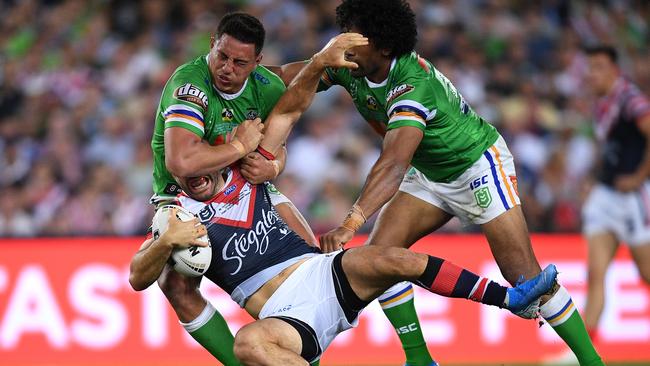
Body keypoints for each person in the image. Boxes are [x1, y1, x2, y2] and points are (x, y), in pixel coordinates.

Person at [130, 34, 558, 366]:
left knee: (391, 257)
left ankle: (509, 300)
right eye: (192, 171)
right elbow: (136, 277)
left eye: (207, 161)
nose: (201, 175)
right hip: (284, 315)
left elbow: (290, 109)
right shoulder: (175, 217)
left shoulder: (249, 171)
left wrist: (318, 63)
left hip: (322, 275)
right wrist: (167, 242)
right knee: (249, 343)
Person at [267, 1, 604, 365]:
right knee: (380, 259)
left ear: (383, 46)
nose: (345, 43)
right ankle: (420, 360)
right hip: (429, 173)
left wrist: (351, 222)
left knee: (523, 277)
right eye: (344, 32)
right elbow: (285, 76)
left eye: (355, 37)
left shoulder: (412, 85)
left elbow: (394, 163)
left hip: (475, 166)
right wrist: (241, 74)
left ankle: (592, 361)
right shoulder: (353, 65)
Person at [150, 12, 317, 365]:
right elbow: (180, 162)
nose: (226, 68)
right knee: (175, 284)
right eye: (221, 56)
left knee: (311, 259)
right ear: (212, 43)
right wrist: (241, 148)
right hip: (182, 197)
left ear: (257, 62)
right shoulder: (189, 84)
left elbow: (280, 136)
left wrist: (274, 164)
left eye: (239, 62)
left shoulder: (267, 86)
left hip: (244, 187)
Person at [582, 45, 650, 342]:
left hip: (632, 199)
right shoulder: (602, 102)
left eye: (598, 67)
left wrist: (639, 175)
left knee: (647, 273)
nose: (591, 73)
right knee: (595, 273)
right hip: (605, 194)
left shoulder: (630, 99)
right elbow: (611, 147)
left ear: (614, 70)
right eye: (590, 67)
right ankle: (583, 349)